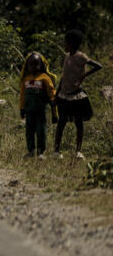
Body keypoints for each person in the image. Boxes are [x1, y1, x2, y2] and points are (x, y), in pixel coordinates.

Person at [54, 30, 103, 159]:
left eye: (66, 42)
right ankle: (56, 151)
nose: (65, 45)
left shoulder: (81, 57)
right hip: (64, 94)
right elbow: (64, 77)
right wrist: (57, 94)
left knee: (79, 123)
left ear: (72, 43)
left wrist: (83, 76)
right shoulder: (67, 56)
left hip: (76, 94)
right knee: (61, 122)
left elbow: (98, 66)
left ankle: (78, 151)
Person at [19, 52, 56, 158]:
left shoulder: (44, 78)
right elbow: (22, 95)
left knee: (41, 131)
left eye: (36, 64)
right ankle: (30, 151)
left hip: (40, 110)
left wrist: (54, 108)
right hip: (29, 111)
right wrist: (22, 108)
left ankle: (41, 152)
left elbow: (51, 92)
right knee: (29, 132)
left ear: (41, 65)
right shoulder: (25, 79)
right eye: (31, 64)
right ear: (27, 66)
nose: (33, 67)